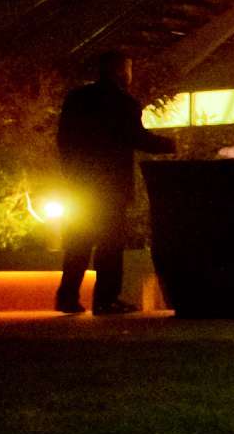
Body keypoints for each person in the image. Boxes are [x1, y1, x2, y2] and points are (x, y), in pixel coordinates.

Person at [54, 52, 176, 315]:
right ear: (121, 71)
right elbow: (136, 137)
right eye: (129, 69)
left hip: (81, 183)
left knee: (78, 241)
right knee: (110, 243)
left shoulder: (76, 99)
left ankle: (67, 296)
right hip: (111, 185)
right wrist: (170, 144)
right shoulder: (123, 103)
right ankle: (106, 299)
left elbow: (63, 140)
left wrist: (71, 174)